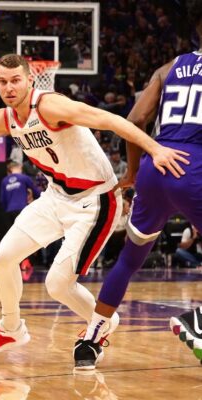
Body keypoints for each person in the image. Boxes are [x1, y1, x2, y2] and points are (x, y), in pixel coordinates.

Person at [0, 53, 188, 364]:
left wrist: (155, 148)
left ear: (30, 80)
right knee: (2, 258)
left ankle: (102, 321)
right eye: (3, 82)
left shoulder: (50, 106)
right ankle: (11, 329)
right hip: (56, 197)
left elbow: (110, 120)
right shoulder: (4, 118)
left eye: (16, 80)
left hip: (95, 200)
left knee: (57, 284)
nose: (9, 87)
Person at [78, 1, 202, 366]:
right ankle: (196, 324)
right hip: (193, 165)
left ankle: (90, 340)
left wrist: (133, 173)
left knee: (130, 260)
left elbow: (134, 120)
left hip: (155, 164)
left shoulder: (169, 67)